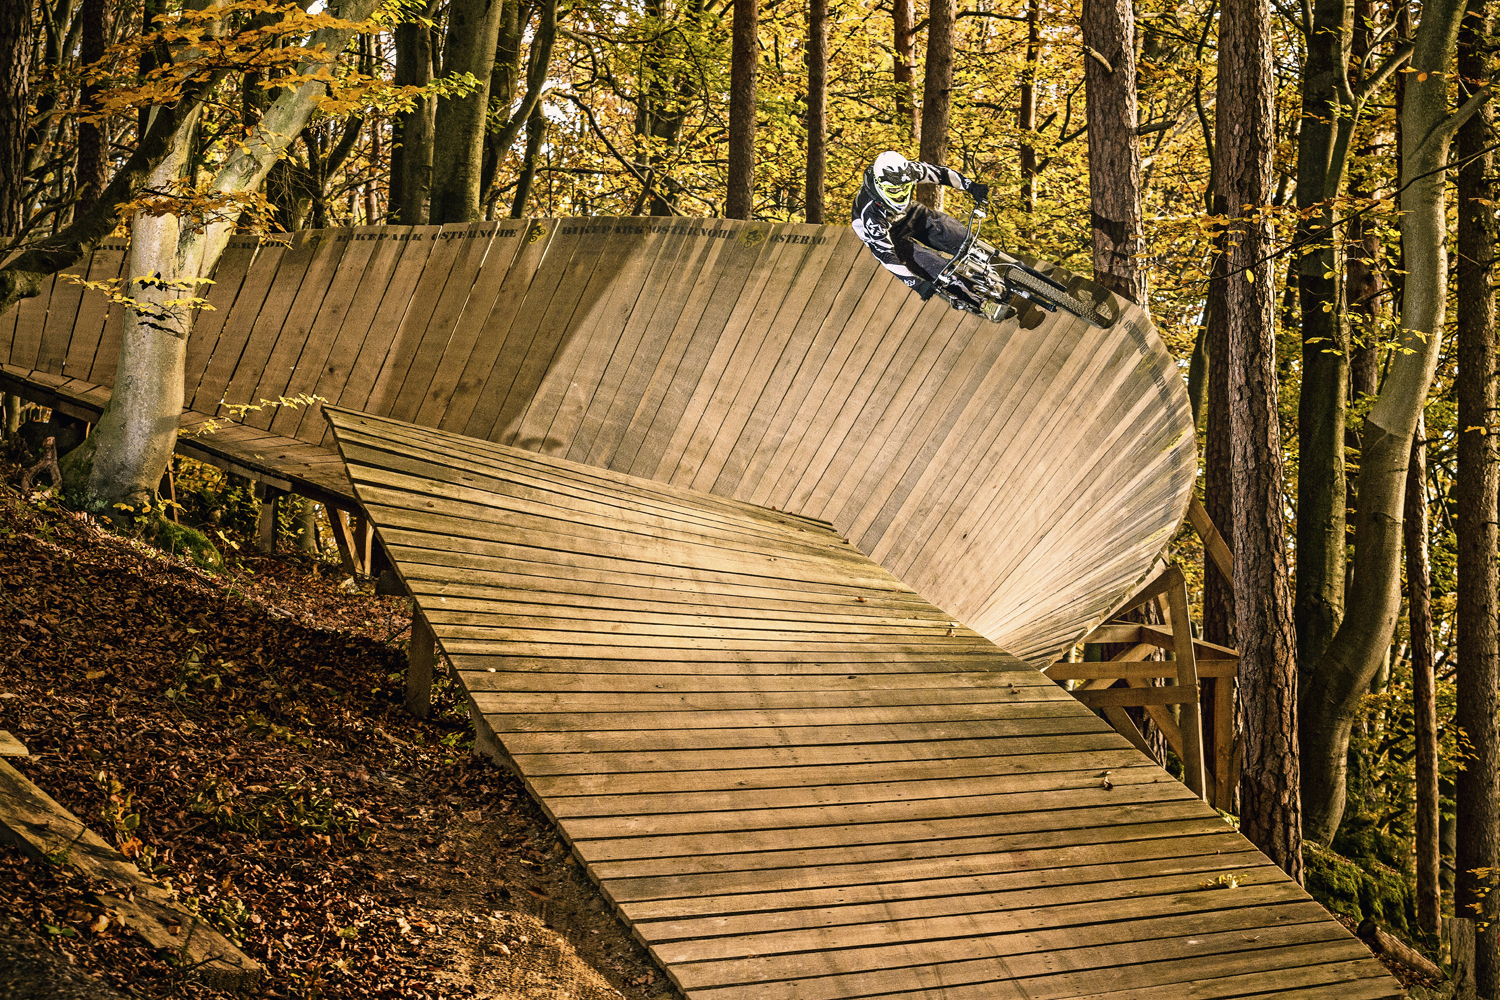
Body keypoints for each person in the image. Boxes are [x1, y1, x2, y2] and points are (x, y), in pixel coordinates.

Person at [851, 150, 991, 311]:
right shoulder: (870, 214)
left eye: (904, 187)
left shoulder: (910, 171)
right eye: (894, 190)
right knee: (930, 265)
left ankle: (987, 265)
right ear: (880, 185)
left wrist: (971, 186)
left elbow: (941, 174)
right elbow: (885, 255)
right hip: (887, 232)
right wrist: (916, 284)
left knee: (952, 232)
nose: (900, 193)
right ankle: (979, 302)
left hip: (907, 212)